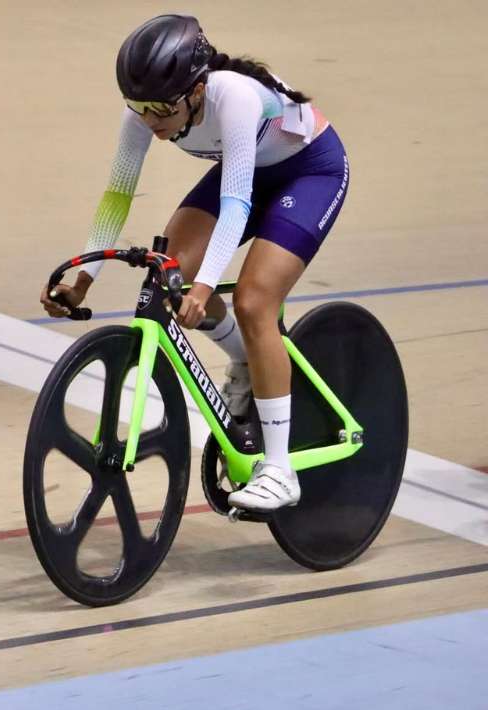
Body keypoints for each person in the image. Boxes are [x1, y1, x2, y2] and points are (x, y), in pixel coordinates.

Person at [42, 15, 349, 512]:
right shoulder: (146, 113)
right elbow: (117, 195)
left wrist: (206, 288)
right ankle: (249, 359)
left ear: (197, 90)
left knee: (253, 302)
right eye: (140, 108)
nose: (151, 120)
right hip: (248, 173)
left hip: (310, 173)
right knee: (169, 277)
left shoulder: (235, 97)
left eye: (162, 108)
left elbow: (236, 205)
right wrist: (82, 281)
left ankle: (279, 470)